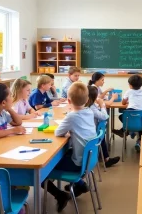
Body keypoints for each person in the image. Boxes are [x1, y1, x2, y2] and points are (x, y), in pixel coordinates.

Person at [41, 82, 94, 212]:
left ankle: (60, 195)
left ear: (68, 100)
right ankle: (80, 184)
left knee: (41, 173)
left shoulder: (72, 116)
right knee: (62, 155)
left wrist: (69, 129)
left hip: (78, 163)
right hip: (88, 160)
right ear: (87, 100)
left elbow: (58, 132)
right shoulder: (90, 112)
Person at [112, 75, 142, 152]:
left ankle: (127, 131)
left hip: (129, 115)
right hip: (141, 118)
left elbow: (123, 103)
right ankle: (139, 141)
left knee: (121, 117)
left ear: (130, 85)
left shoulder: (128, 91)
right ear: (141, 84)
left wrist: (129, 101)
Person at [86, 85, 120, 168]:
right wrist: (102, 106)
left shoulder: (90, 105)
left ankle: (106, 158)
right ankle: (106, 158)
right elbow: (105, 116)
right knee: (101, 136)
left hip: (94, 130)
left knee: (102, 137)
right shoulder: (91, 107)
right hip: (92, 132)